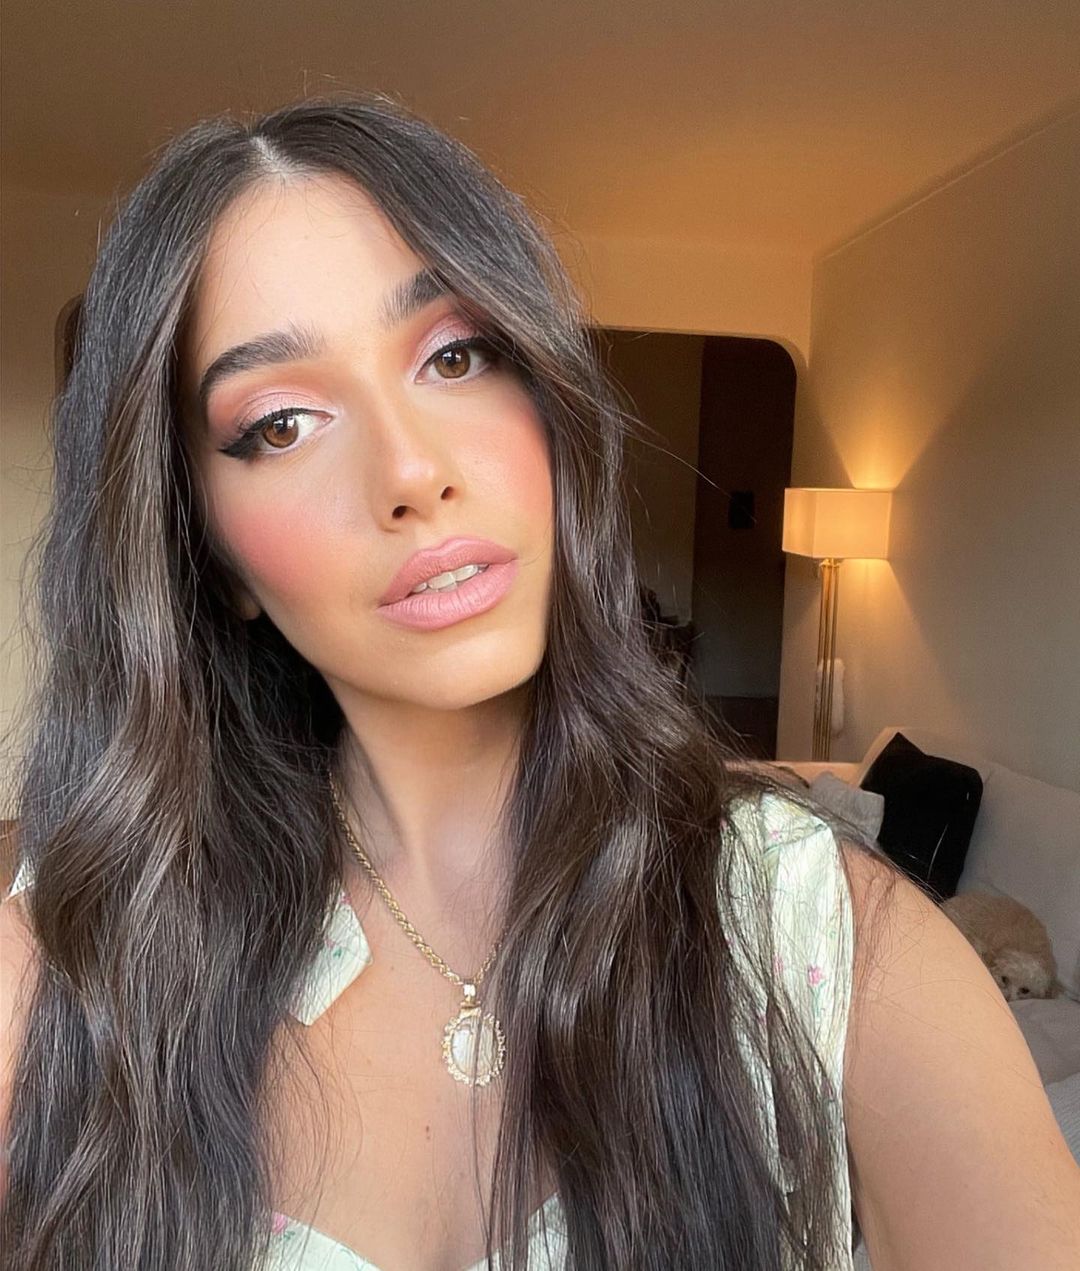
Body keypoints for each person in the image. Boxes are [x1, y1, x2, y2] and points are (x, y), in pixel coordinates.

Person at [0, 93, 1076, 1271]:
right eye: (283, 423)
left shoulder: (832, 940)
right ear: (209, 548)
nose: (412, 470)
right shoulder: (78, 945)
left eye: (456, 355)